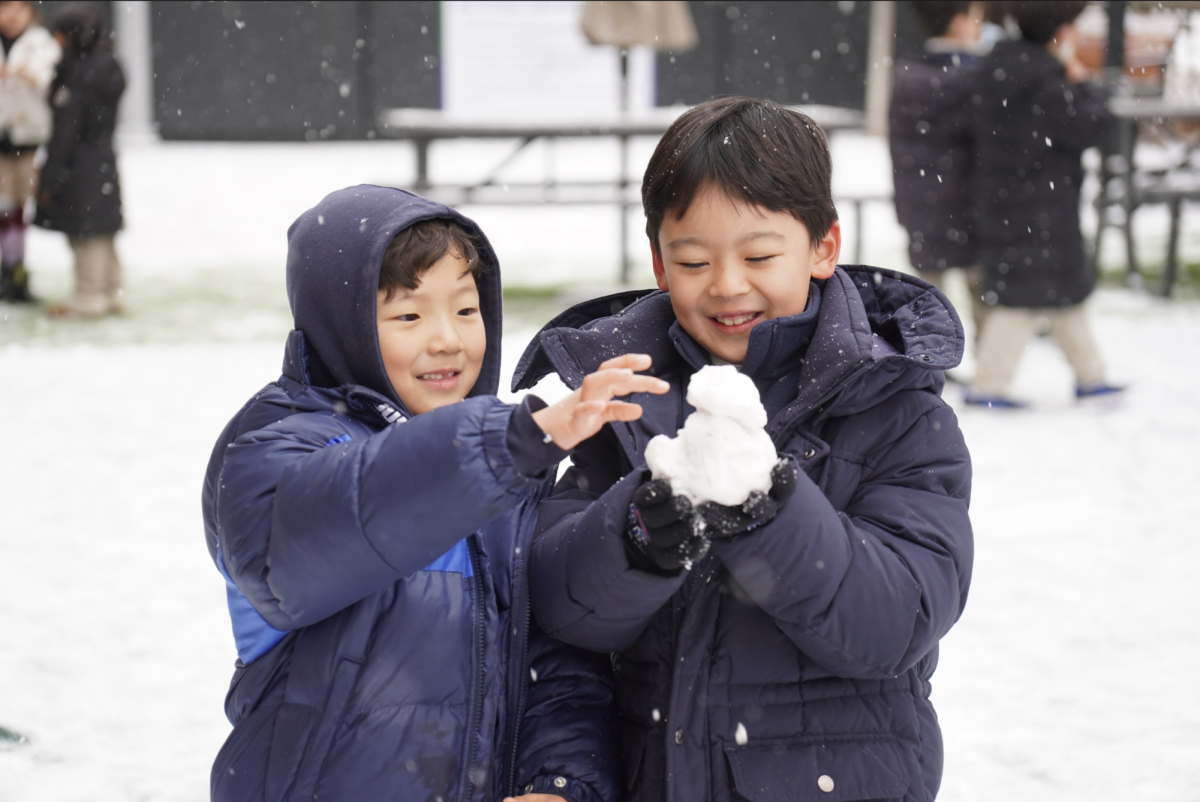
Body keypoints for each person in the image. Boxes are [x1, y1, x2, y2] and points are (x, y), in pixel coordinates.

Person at [514, 97, 974, 802]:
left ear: (823, 246)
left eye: (759, 256)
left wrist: (769, 514)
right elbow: (560, 603)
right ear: (659, 262)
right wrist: (635, 539)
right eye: (694, 259)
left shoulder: (898, 412)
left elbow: (894, 624)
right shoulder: (621, 398)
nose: (728, 285)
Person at [202, 185, 665, 801]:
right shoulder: (274, 450)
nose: (446, 339)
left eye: (466, 310)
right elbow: (342, 516)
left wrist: (558, 779)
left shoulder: (505, 470)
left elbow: (548, 662)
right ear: (343, 328)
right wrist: (508, 445)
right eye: (408, 316)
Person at [966, 1, 1123, 406]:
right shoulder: (1048, 81)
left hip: (1005, 199)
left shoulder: (995, 70)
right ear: (1062, 33)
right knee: (1026, 299)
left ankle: (1091, 376)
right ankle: (989, 385)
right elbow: (1096, 127)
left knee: (1059, 293)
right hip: (1044, 206)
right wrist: (1084, 84)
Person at [890, 0, 988, 343]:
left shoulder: (905, 77)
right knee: (982, 292)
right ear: (960, 23)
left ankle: (927, 361)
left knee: (926, 296)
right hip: (970, 207)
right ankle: (989, 375)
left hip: (922, 207)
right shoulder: (979, 80)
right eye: (978, 19)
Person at [35, 3, 124, 317]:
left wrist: (48, 178)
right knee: (103, 230)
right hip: (102, 159)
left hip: (79, 165)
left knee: (85, 232)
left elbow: (65, 133)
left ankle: (88, 298)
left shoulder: (78, 75)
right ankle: (111, 292)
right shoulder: (107, 65)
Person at [0, 0, 58, 303]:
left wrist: (33, 79)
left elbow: (56, 82)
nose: (10, 17)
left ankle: (16, 272)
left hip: (27, 142)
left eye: (17, 9)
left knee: (18, 210)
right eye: (5, 8)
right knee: (3, 207)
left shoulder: (42, 43)